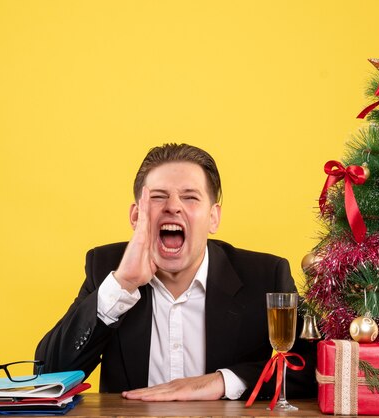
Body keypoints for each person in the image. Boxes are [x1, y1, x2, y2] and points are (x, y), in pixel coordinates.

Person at [35, 143, 316, 401]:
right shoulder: (106, 267)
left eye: (190, 197)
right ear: (136, 216)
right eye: (158, 197)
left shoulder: (264, 276)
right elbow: (49, 376)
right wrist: (123, 284)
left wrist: (222, 382)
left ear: (213, 217)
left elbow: (318, 370)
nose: (173, 207)